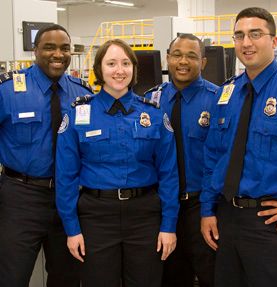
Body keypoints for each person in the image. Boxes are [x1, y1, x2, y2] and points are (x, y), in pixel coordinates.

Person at [55, 38, 179, 287]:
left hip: (144, 217)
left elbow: (169, 173)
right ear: (99, 70)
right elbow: (65, 177)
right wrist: (72, 229)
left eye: (125, 63)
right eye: (111, 63)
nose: (119, 70)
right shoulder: (79, 114)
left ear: (134, 68)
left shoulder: (153, 114)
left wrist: (169, 225)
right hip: (96, 218)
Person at [200, 7, 277, 287]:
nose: (246, 43)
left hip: (271, 223)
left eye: (256, 34)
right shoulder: (226, 93)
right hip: (227, 219)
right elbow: (213, 156)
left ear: (274, 41)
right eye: (240, 35)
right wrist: (207, 210)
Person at [0, 24, 93, 287]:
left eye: (65, 48)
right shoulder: (8, 91)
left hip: (69, 199)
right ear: (35, 51)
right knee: (12, 276)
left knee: (66, 277)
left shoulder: (83, 94)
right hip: (20, 198)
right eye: (49, 47)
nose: (58, 54)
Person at [145, 33, 218, 287]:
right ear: (167, 58)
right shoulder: (150, 102)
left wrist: (209, 209)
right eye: (176, 55)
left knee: (211, 275)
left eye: (191, 56)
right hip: (162, 208)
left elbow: (221, 159)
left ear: (204, 62)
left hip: (202, 208)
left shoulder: (218, 100)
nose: (183, 61)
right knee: (170, 278)